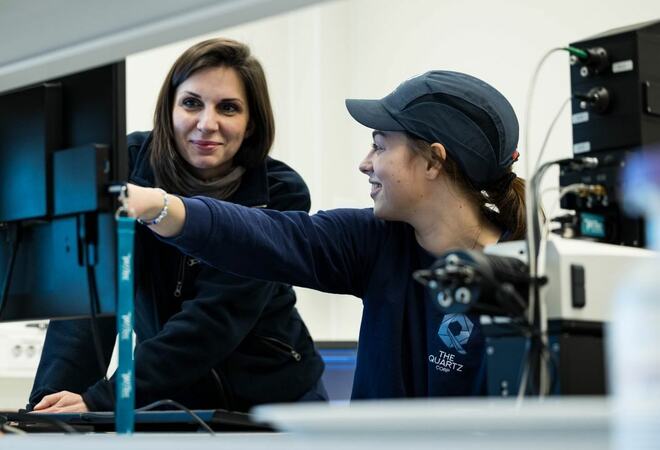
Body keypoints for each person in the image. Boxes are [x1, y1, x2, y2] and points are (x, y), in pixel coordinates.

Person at [123, 70, 525, 398]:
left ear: (434, 162)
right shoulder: (376, 241)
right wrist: (157, 205)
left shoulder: (531, 283)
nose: (365, 164)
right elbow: (267, 236)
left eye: (380, 147)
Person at [29, 38, 327, 413]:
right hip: (171, 393)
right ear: (168, 109)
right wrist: (50, 406)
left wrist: (102, 399)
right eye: (191, 103)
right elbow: (90, 299)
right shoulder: (126, 165)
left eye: (229, 108)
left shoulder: (280, 194)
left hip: (274, 398)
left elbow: (215, 319)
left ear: (251, 124)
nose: (207, 123)